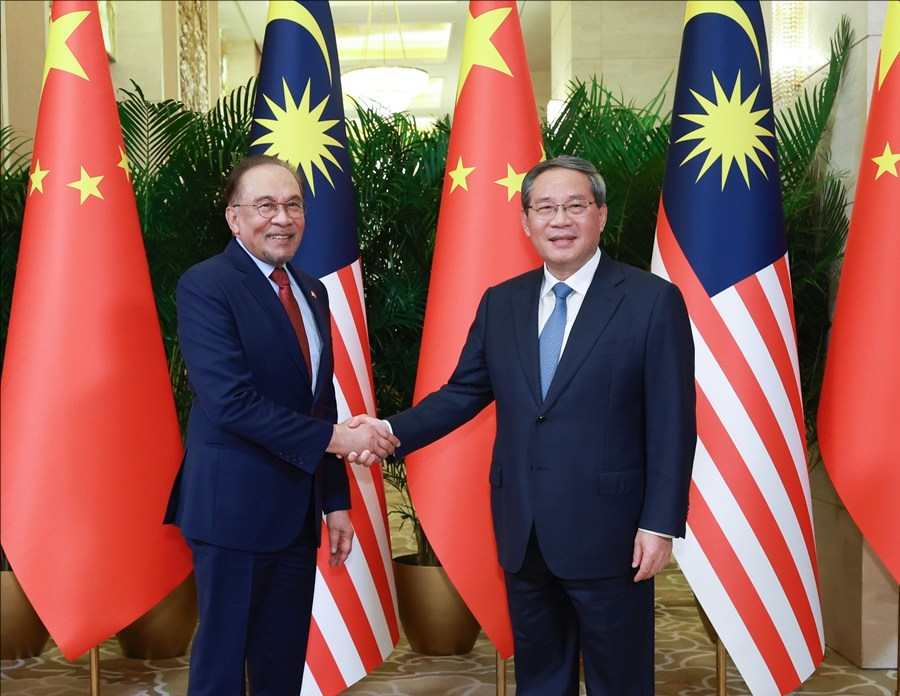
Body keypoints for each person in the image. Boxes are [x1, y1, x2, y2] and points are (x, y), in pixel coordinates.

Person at [353, 156, 696, 694]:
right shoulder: (502, 303)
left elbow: (673, 421)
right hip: (525, 530)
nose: (560, 220)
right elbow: (463, 393)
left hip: (613, 534)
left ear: (601, 215)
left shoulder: (651, 301)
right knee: (540, 680)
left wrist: (659, 523)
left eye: (575, 206)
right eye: (545, 208)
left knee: (621, 681)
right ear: (525, 221)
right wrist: (387, 431)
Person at [164, 154, 398, 696]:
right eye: (266, 205)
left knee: (282, 664)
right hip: (231, 511)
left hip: (296, 511)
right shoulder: (207, 285)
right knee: (222, 668)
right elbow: (231, 401)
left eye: (293, 205)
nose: (283, 218)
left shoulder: (312, 290)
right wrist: (338, 440)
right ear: (234, 217)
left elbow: (318, 403)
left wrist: (334, 501)